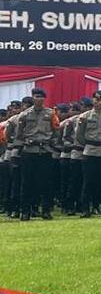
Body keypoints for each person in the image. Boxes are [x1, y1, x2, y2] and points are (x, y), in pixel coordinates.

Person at [14, 88, 60, 221]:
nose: (38, 99)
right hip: (29, 151)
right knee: (27, 183)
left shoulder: (51, 113)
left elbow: (56, 131)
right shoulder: (25, 115)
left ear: (44, 98)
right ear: (32, 98)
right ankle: (25, 211)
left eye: (40, 97)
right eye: (36, 96)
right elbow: (19, 134)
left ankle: (46, 210)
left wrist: (52, 143)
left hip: (45, 151)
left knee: (46, 182)